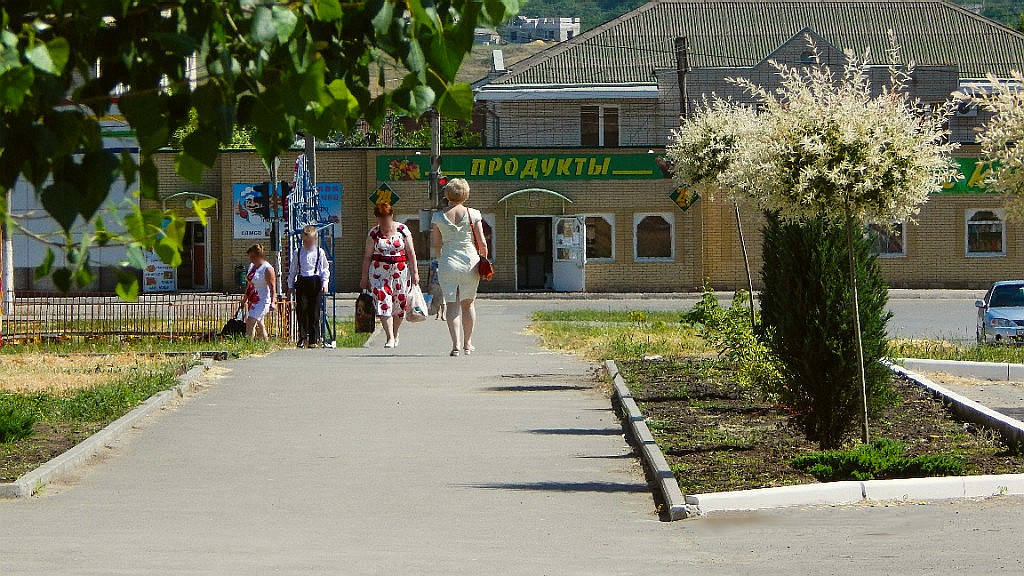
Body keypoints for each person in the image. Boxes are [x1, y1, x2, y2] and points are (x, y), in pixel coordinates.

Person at [431, 178, 486, 357]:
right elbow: (482, 243)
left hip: (448, 261)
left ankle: (455, 345)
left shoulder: (438, 217)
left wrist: (441, 258)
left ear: (447, 194)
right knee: (468, 303)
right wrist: (484, 259)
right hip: (470, 261)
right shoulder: (474, 214)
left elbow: (436, 244)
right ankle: (468, 344)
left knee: (452, 303)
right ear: (466, 194)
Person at [360, 202, 419, 349]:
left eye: (386, 217)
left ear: (391, 215)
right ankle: (389, 337)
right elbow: (367, 256)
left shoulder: (402, 230)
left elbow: (411, 253)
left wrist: (415, 273)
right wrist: (364, 277)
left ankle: (396, 332)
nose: (384, 221)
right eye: (380, 218)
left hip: (400, 273)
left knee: (399, 305)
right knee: (383, 302)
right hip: (379, 273)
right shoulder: (374, 233)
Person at [288, 225, 331, 348]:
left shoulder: (319, 252)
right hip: (302, 281)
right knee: (301, 309)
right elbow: (293, 271)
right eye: (305, 241)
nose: (307, 243)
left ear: (315, 240)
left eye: (310, 241)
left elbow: (325, 270)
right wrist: (290, 285)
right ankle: (302, 337)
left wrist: (324, 283)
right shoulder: (298, 252)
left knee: (314, 311)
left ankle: (313, 338)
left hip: (315, 282)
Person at [241, 243, 277, 340]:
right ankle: (266, 344)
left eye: (253, 257)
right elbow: (249, 284)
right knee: (260, 325)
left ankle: (248, 345)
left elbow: (273, 287)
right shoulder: (252, 266)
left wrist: (273, 302)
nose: (251, 259)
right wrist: (244, 299)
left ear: (259, 256)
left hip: (263, 300)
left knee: (250, 321)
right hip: (253, 299)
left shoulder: (267, 269)